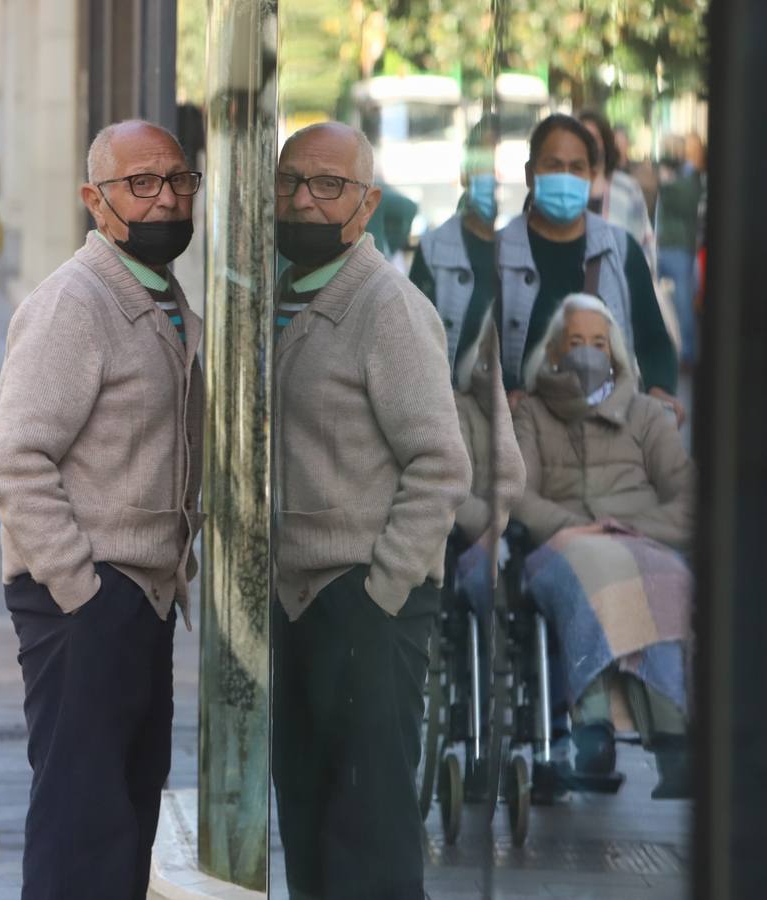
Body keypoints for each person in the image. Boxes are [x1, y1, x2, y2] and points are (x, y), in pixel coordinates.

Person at [0, 120, 203, 900]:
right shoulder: (74, 303)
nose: (166, 198)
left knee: (128, 814)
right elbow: (14, 460)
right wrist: (82, 588)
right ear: (94, 200)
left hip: (142, 597)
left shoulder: (162, 296)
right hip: (86, 600)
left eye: (179, 181)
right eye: (141, 184)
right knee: (81, 826)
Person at [271, 122, 471, 898]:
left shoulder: (389, 305)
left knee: (371, 832)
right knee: (309, 818)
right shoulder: (280, 291)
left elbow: (440, 462)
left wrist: (382, 590)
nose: (304, 200)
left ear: (368, 204)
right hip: (295, 606)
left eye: (328, 186)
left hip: (367, 604)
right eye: (291, 182)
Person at [512, 293, 694, 799]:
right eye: (576, 342)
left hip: (641, 540)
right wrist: (570, 527)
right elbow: (518, 494)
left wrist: (624, 525)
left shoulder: (645, 415)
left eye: (598, 342)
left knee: (673, 577)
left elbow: (688, 499)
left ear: (614, 351)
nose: (588, 352)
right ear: (554, 351)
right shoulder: (533, 415)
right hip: (564, 543)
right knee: (591, 569)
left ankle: (674, 737)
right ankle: (592, 730)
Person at [496, 114, 680, 421]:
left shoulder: (621, 251)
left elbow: (653, 339)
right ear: (530, 174)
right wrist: (506, 391)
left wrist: (660, 388)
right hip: (524, 434)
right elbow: (476, 353)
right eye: (553, 166)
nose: (565, 177)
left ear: (592, 175)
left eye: (577, 168)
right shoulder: (497, 254)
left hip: (605, 433)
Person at [410, 116, 501, 371]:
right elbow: (414, 346)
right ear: (465, 173)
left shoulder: (534, 250)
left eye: (502, 164)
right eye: (486, 164)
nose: (495, 176)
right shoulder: (433, 251)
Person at [579, 110, 656, 270]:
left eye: (593, 138)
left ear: (605, 143)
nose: (588, 145)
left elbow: (644, 242)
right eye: (582, 138)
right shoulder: (569, 188)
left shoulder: (627, 189)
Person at [656, 141, 703, 370]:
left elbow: (681, 199)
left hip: (678, 246)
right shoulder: (681, 174)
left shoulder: (691, 177)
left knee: (683, 302)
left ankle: (687, 353)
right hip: (665, 244)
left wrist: (664, 182)